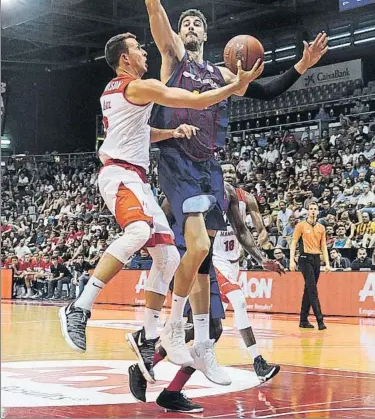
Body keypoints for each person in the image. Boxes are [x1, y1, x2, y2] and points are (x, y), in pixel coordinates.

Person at [142, 0, 327, 383]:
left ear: (209, 33)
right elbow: (153, 8)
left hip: (210, 168)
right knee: (198, 253)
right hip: (177, 161)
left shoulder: (225, 73)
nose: (190, 25)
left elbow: (264, 92)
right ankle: (159, 334)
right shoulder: (172, 58)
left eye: (197, 22)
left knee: (207, 269)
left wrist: (302, 67)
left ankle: (171, 355)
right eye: (186, 21)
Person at [58, 31, 256, 382]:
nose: (144, 52)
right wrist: (232, 87)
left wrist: (171, 133)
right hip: (119, 173)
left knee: (169, 256)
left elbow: (140, 133)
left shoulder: (117, 93)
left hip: (134, 174)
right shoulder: (136, 86)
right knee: (139, 231)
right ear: (124, 59)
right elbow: (195, 100)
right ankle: (79, 306)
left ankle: (147, 337)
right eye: (137, 48)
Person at [127, 180, 282, 413]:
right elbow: (163, 217)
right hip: (184, 260)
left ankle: (167, 388)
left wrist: (261, 259)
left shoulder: (227, 193)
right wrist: (154, 248)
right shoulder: (185, 183)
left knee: (212, 331)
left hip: (205, 265)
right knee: (199, 329)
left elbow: (241, 230)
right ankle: (150, 370)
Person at [213, 178, 282, 382]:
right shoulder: (211, 196)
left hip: (235, 262)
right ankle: (258, 361)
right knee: (240, 303)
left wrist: (262, 236)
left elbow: (251, 229)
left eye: (230, 171)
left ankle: (155, 352)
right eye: (223, 171)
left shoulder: (245, 199)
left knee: (212, 326)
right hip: (215, 261)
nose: (227, 174)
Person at [290, 202, 330, 330]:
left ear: (318, 212)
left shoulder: (321, 228)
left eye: (315, 209)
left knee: (309, 289)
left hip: (316, 259)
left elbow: (323, 246)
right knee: (312, 289)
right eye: (311, 209)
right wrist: (291, 260)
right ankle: (320, 321)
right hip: (304, 258)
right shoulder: (301, 225)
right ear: (307, 211)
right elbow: (293, 242)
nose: (313, 211)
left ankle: (303, 320)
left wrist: (327, 263)